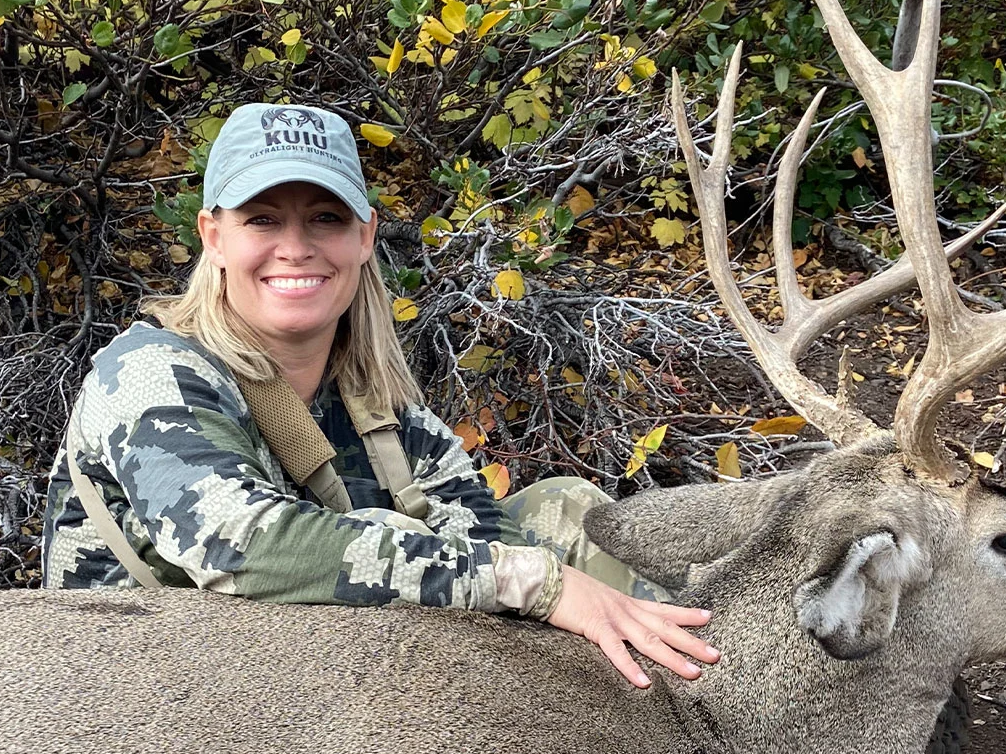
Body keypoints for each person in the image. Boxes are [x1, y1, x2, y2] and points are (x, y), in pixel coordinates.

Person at [41, 102, 717, 689]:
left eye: (326, 220)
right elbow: (240, 547)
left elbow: (481, 535)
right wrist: (536, 584)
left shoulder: (380, 407)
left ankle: (705, 689)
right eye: (263, 220)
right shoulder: (151, 373)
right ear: (214, 237)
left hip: (314, 688)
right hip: (147, 686)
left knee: (567, 512)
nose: (296, 248)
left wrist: (548, 582)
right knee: (444, 555)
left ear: (364, 237)